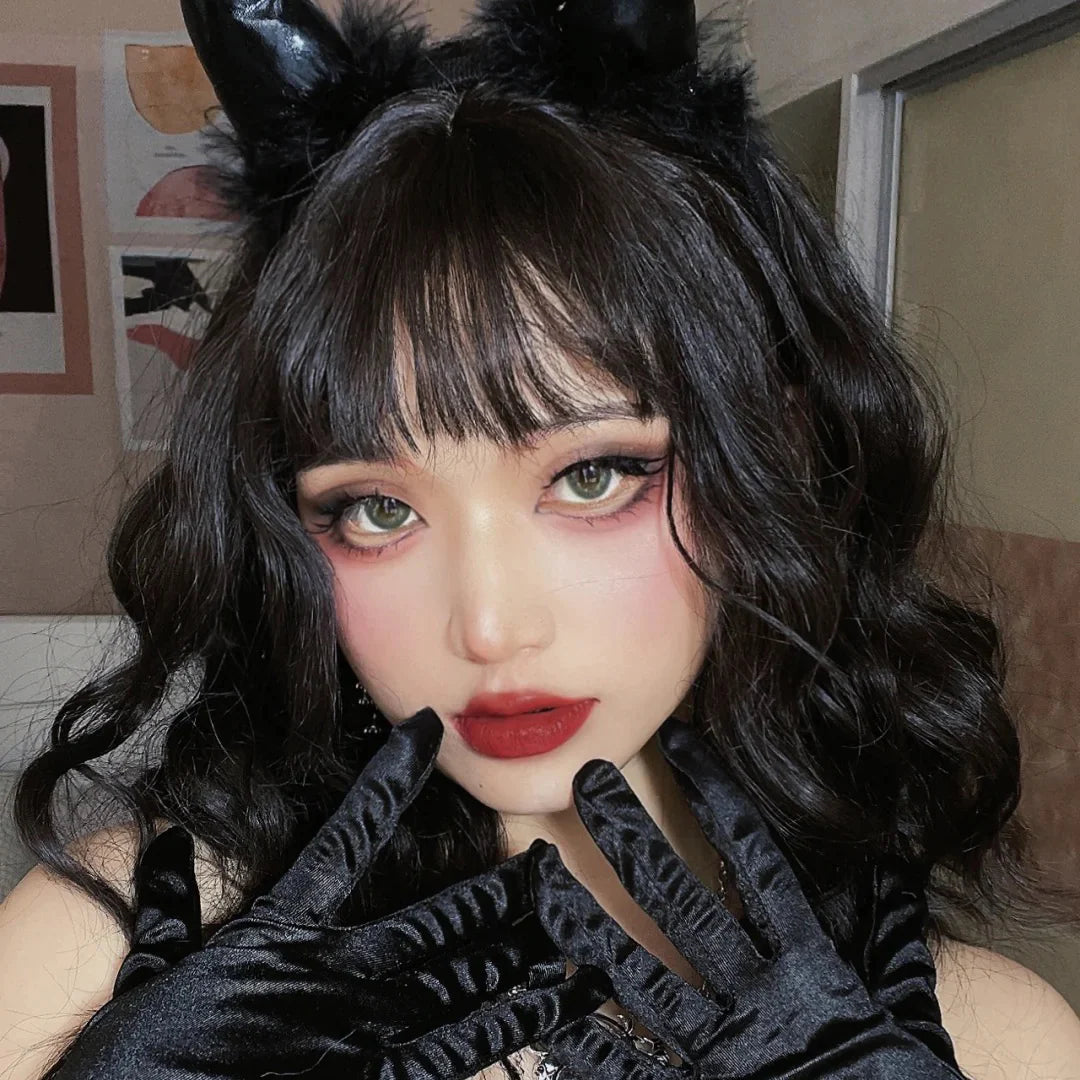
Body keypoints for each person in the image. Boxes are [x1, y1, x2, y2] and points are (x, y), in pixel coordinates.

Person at [2, 0, 1079, 1076]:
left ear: (777, 457)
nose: (489, 626)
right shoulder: (102, 951)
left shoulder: (990, 1038)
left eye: (591, 477)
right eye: (377, 510)